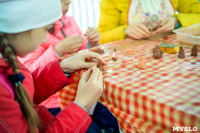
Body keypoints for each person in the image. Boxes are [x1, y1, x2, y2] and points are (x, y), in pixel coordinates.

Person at [0, 0, 106, 132]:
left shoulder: (6, 58)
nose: (44, 39)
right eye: (45, 29)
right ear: (22, 25)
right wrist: (81, 105)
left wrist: (63, 67)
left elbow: (26, 90)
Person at [18, 0, 101, 112]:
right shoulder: (32, 31)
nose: (68, 2)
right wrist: (57, 51)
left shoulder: (69, 21)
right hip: (51, 101)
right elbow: (30, 73)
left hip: (78, 90)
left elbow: (82, 51)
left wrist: (90, 43)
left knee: (110, 119)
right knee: (91, 128)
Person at [98, 0, 200, 44]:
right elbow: (102, 37)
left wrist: (177, 20)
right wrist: (125, 31)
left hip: (171, 52)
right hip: (132, 58)